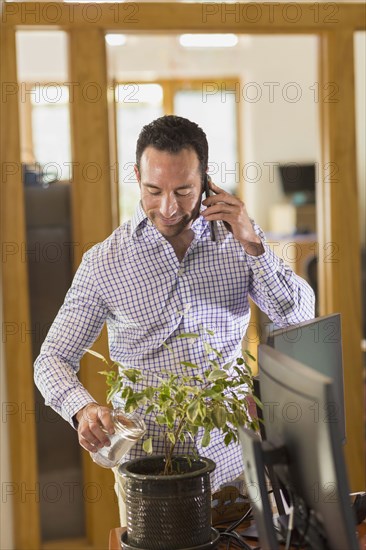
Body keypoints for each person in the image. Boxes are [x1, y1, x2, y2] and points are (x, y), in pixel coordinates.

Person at [34, 115, 315, 525]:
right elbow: (52, 358)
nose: (168, 208)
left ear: (205, 181)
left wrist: (254, 243)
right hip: (148, 474)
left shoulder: (240, 243)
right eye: (153, 190)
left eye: (183, 191)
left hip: (233, 466)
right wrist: (84, 409)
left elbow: (299, 317)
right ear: (136, 177)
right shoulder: (104, 262)